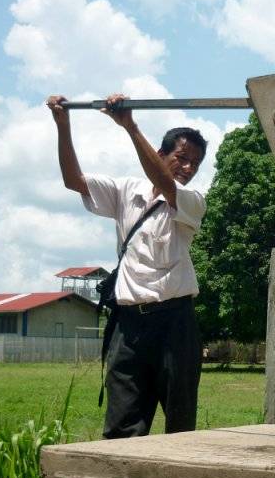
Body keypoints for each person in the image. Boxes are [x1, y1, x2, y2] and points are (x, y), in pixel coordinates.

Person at [47, 93, 207, 439]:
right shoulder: (126, 191)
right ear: (160, 155)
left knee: (181, 427)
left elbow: (166, 185)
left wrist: (130, 126)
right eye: (182, 158)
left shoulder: (192, 201)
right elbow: (73, 181)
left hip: (175, 323)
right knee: (122, 425)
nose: (188, 168)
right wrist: (63, 125)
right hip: (130, 323)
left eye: (196, 163)